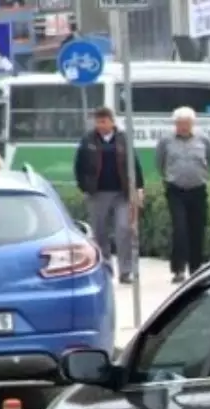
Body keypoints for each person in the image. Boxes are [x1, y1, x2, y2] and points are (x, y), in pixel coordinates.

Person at [74, 106, 144, 285]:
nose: (100, 125)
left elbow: (134, 163)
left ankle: (126, 270)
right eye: (97, 121)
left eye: (104, 121)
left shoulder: (122, 139)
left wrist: (138, 188)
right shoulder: (88, 140)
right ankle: (105, 268)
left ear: (112, 122)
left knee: (124, 228)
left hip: (122, 192)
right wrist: (84, 187)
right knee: (100, 232)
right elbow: (79, 165)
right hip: (98, 192)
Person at [156, 106, 210, 284]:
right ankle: (178, 269)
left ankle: (196, 267)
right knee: (180, 228)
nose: (183, 127)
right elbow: (160, 163)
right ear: (175, 124)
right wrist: (168, 178)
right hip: (176, 190)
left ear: (192, 124)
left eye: (186, 124)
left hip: (198, 189)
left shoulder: (203, 139)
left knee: (197, 228)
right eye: (180, 124)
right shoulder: (166, 141)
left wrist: (203, 176)